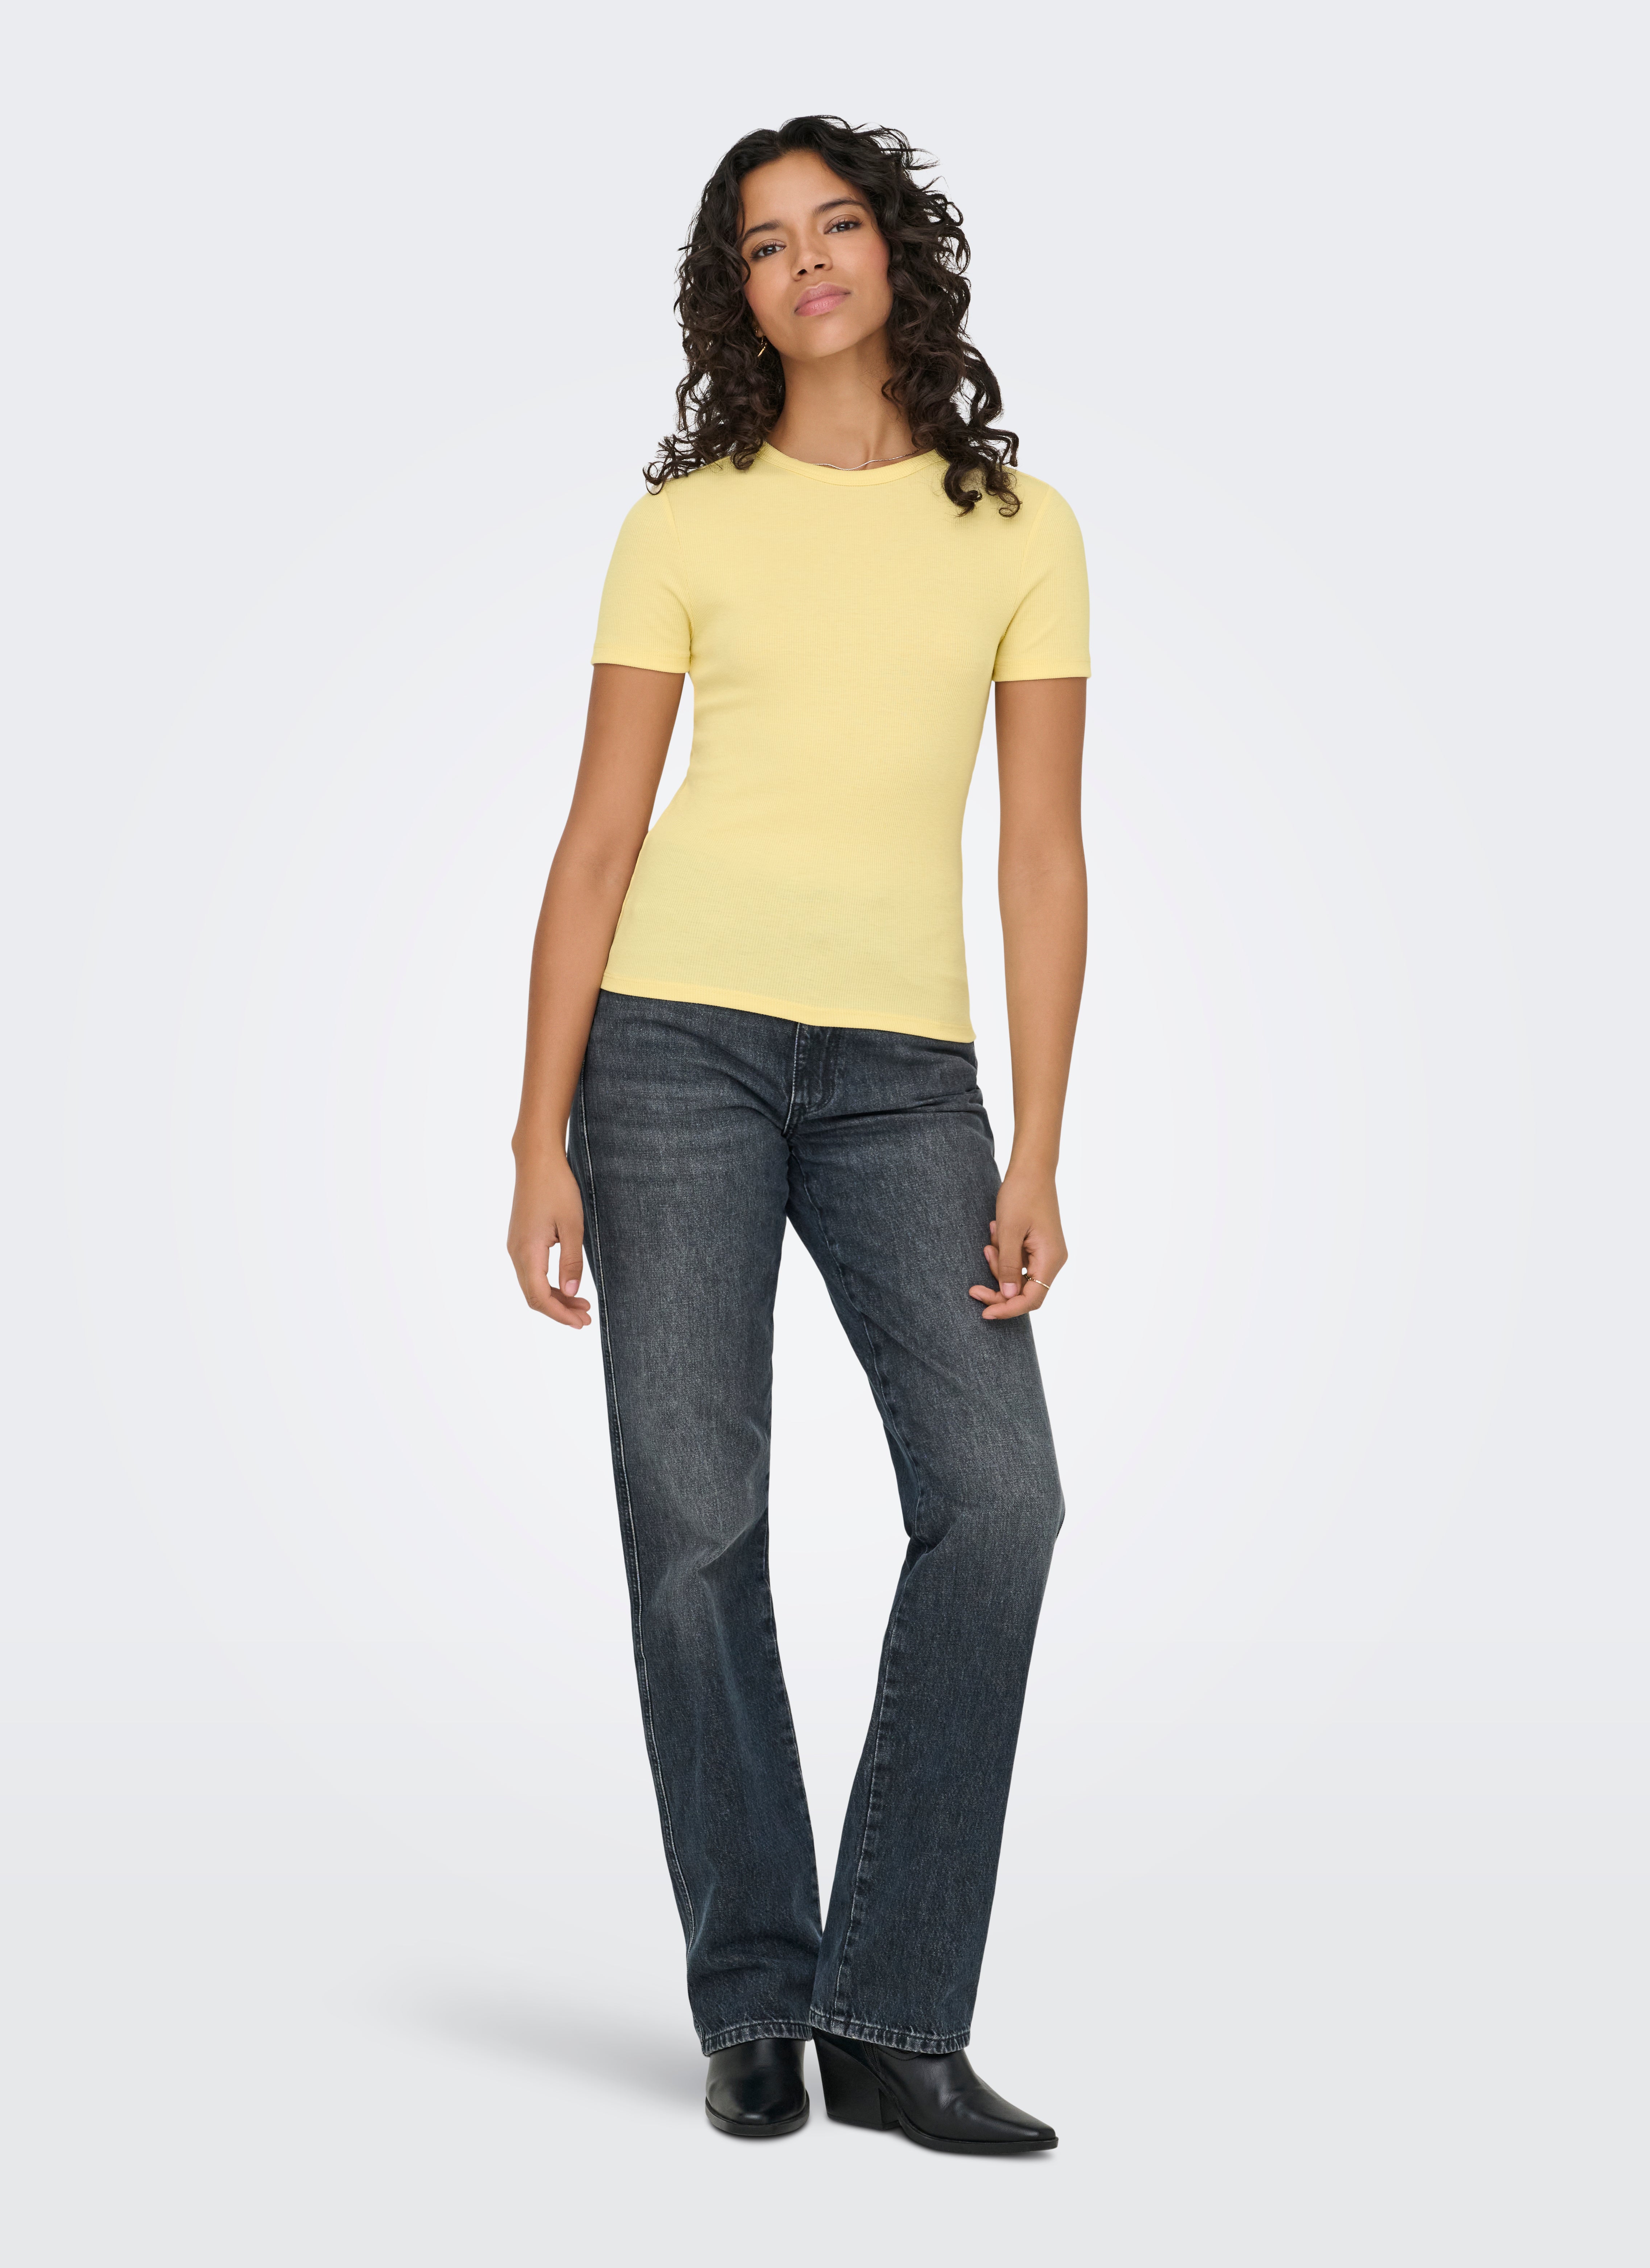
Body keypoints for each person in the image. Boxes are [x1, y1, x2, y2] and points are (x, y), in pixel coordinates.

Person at [507, 115, 1089, 2156]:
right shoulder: (687, 526)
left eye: (837, 223)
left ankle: (893, 2015)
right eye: (767, 243)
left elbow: (1040, 852)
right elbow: (600, 837)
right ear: (736, 295)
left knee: (1000, 1502)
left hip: (908, 1077)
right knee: (695, 1519)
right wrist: (536, 1133)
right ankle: (755, 1996)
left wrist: (1036, 1147)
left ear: (897, 253)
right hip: (670, 1053)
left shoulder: (1019, 527)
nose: (809, 260)